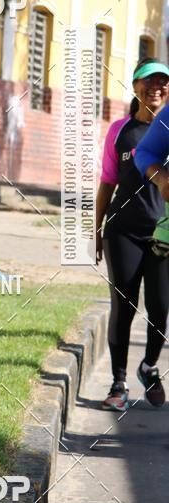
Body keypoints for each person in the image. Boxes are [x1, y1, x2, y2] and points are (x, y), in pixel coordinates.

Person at [95, 57, 169, 411]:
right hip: (122, 232)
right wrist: (96, 229)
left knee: (161, 307)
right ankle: (118, 383)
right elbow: (107, 182)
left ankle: (149, 366)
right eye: (148, 81)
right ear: (136, 87)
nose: (156, 87)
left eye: (163, 81)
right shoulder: (120, 131)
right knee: (123, 306)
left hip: (163, 235)